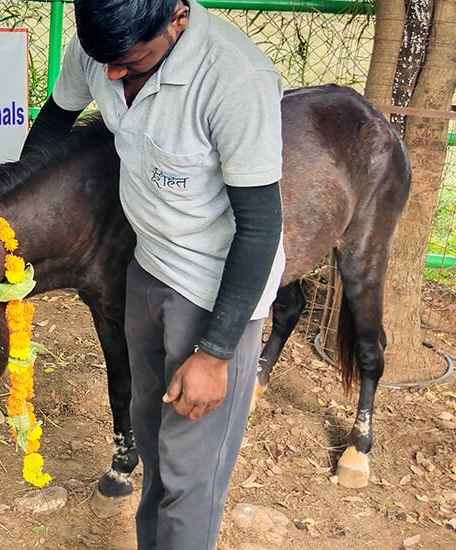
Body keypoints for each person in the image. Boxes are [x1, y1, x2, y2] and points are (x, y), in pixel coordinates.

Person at [21, 0, 285, 548]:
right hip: (143, 271)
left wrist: (215, 354)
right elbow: (54, 120)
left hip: (215, 290)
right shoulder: (107, 45)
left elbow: (260, 229)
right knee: (153, 444)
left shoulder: (235, 79)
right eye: (104, 60)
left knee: (190, 476)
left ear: (178, 17)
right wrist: (11, 215)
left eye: (131, 61)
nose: (113, 75)